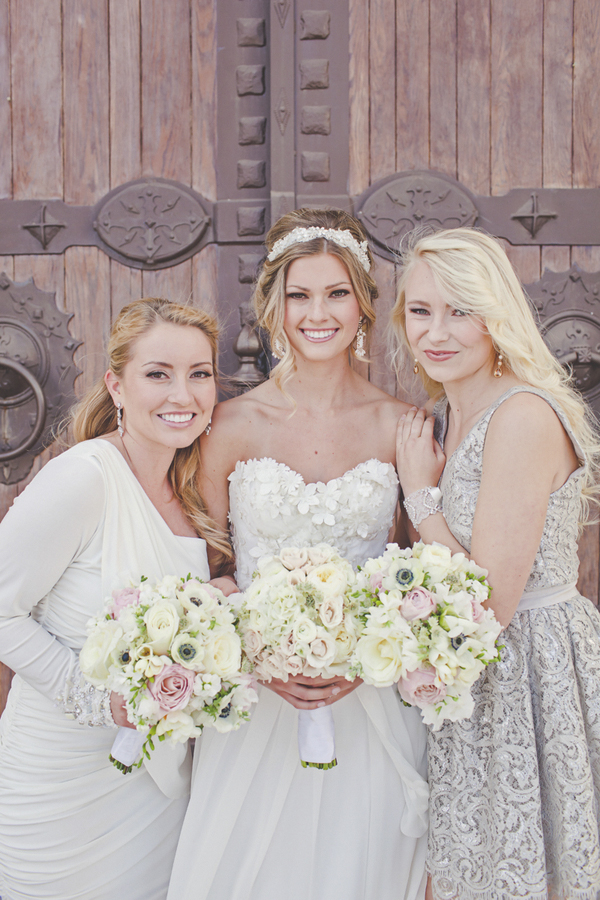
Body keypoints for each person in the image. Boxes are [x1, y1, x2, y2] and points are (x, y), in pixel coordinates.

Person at [168, 208, 429, 900]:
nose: (318, 313)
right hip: (257, 705)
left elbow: (420, 575)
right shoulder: (228, 424)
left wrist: (367, 658)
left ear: (364, 306)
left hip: (368, 700)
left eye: (337, 293)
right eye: (300, 295)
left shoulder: (399, 424)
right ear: (274, 307)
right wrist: (257, 652)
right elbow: (207, 573)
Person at [392, 227, 600, 900]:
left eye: (460, 310)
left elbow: (490, 602)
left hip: (533, 673)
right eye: (421, 311)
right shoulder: (448, 416)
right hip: (477, 684)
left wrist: (421, 496)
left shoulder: (522, 416)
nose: (437, 331)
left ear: (497, 315)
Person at [0, 298, 231, 900]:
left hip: (153, 794)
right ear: (117, 385)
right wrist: (100, 701)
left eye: (199, 374)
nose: (182, 394)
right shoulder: (84, 478)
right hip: (60, 782)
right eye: (158, 374)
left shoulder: (193, 494)